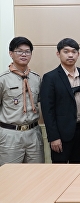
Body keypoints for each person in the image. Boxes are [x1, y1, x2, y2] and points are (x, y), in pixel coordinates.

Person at [40, 38, 80, 163]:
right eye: (66, 51)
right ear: (58, 54)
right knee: (59, 172)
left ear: (78, 54)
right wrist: (54, 137)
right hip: (61, 135)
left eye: (74, 51)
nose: (70, 55)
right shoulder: (50, 77)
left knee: (79, 170)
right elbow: (47, 110)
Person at [0, 36, 44, 165]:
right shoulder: (3, 79)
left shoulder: (36, 78)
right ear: (11, 53)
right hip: (10, 135)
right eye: (19, 51)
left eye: (27, 51)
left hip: (34, 133)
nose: (24, 54)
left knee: (36, 174)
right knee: (9, 176)